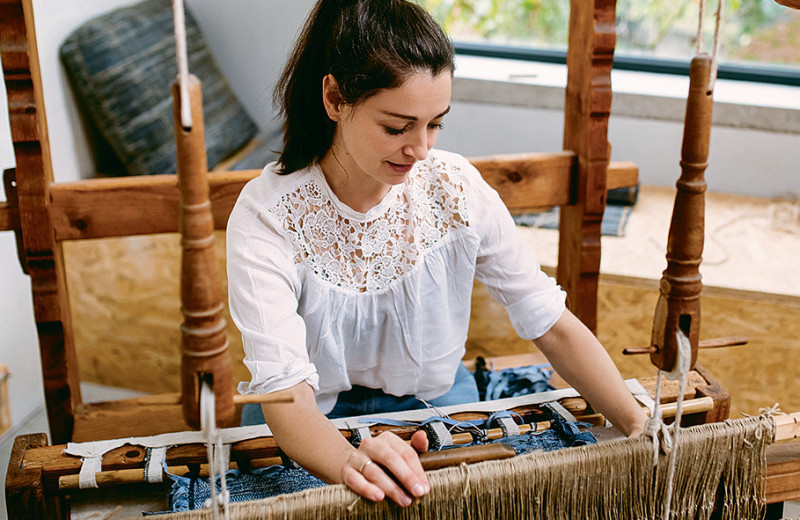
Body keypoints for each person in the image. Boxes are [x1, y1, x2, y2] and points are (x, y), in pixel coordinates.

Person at [226, 0, 647, 508]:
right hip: (302, 428)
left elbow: (550, 322)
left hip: (433, 410)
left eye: (436, 124)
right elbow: (286, 392)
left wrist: (638, 424)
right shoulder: (268, 215)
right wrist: (354, 463)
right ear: (335, 97)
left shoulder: (454, 187)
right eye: (397, 127)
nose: (420, 149)